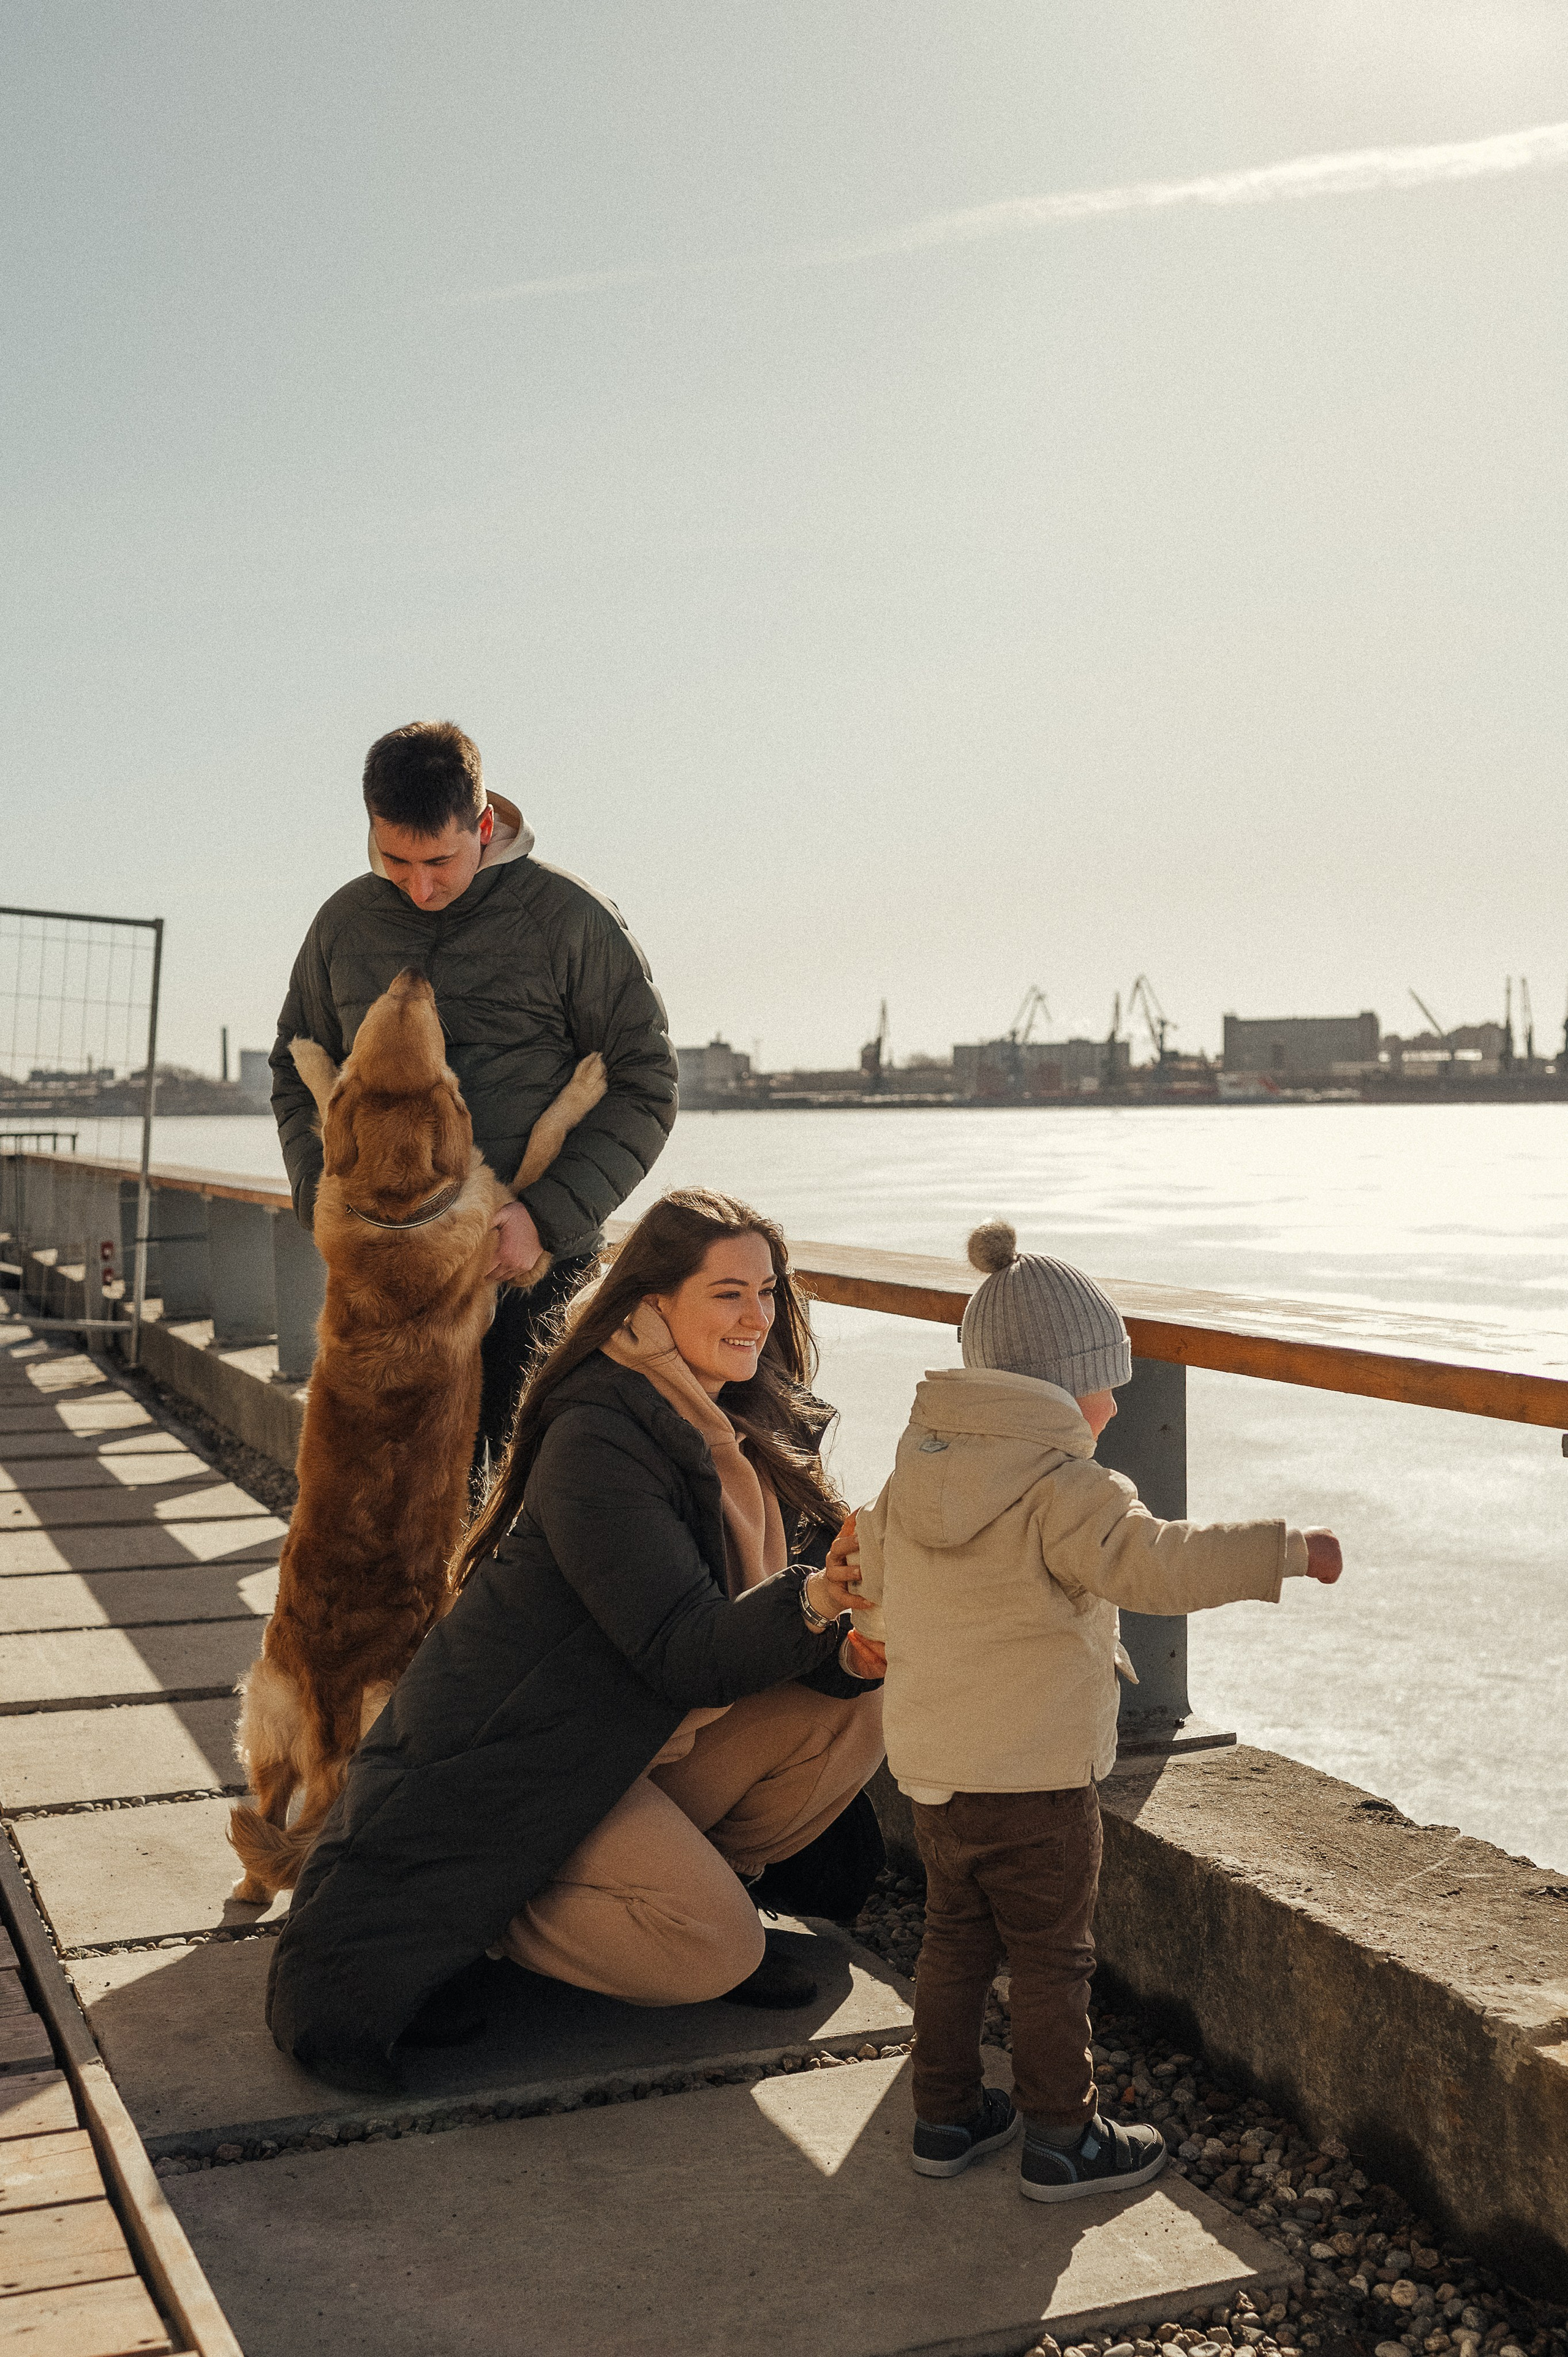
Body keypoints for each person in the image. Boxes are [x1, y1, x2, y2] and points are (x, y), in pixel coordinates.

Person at [265, 1190, 886, 2094]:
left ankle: (690, 1886)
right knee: (712, 1950)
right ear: (651, 1303)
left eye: (767, 1289)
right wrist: (819, 1597)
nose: (757, 1315)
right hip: (531, 1768)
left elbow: (756, 1629)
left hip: (631, 1744)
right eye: (727, 1293)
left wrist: (845, 1638)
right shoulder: (602, 1435)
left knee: (852, 1713)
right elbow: (684, 1645)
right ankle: (500, 1908)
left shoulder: (741, 1425)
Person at [848, 1219, 1343, 2204]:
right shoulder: (1066, 1489)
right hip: (1036, 1782)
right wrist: (1284, 1550)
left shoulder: (915, 1473)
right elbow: (1158, 1564)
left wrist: (876, 1634)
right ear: (1061, 1386)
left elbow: (881, 1593)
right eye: (1109, 1379)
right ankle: (1062, 2138)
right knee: (1051, 1959)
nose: (1118, 1400)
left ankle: (944, 2119)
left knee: (954, 1941)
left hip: (936, 1773)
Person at [269, 719, 677, 1472]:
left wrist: (545, 1217)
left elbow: (646, 1084)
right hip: (387, 1286)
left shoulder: (569, 918)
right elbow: (297, 1072)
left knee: (525, 1511)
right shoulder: (343, 922)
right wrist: (317, 1204)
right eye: (395, 859)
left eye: (440, 860)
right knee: (386, 1512)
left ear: (485, 824)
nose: (419, 886)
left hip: (532, 1275)